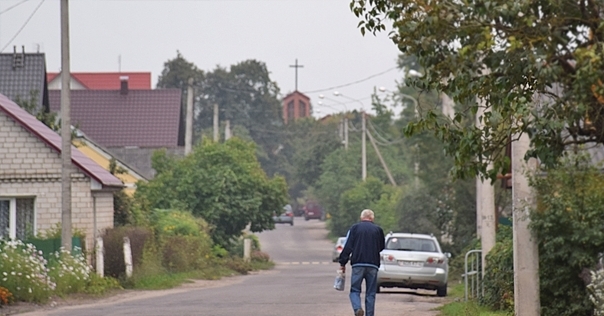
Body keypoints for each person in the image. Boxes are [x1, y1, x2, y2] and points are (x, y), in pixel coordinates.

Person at [338, 209, 385, 316]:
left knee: (355, 290)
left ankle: (357, 308)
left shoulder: (355, 228)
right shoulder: (378, 230)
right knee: (371, 293)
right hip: (373, 265)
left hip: (358, 264)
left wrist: (342, 262)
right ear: (372, 218)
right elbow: (382, 247)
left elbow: (348, 246)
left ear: (361, 217)